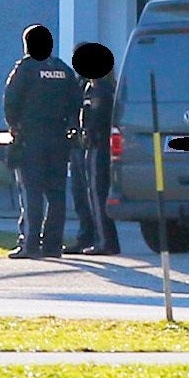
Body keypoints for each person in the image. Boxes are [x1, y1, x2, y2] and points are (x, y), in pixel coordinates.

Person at [2, 24, 81, 258]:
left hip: (31, 138)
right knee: (57, 193)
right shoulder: (64, 70)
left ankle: (30, 244)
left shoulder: (25, 69)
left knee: (31, 191)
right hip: (58, 138)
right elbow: (76, 102)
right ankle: (53, 245)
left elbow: (10, 101)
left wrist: (15, 126)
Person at [69, 46, 120, 255]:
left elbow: (98, 118)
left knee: (98, 193)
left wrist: (87, 132)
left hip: (99, 145)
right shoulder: (88, 86)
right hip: (88, 145)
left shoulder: (102, 89)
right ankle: (93, 237)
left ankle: (106, 241)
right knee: (86, 193)